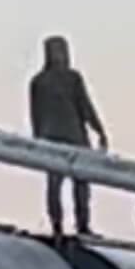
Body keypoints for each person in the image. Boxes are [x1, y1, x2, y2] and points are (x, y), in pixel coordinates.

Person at [28, 35, 108, 237]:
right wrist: (100, 131)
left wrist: (99, 129)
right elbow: (36, 113)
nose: (59, 56)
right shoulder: (41, 82)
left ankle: (78, 224)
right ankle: (60, 225)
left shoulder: (69, 79)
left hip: (68, 137)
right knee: (59, 184)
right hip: (60, 138)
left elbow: (84, 105)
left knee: (78, 183)